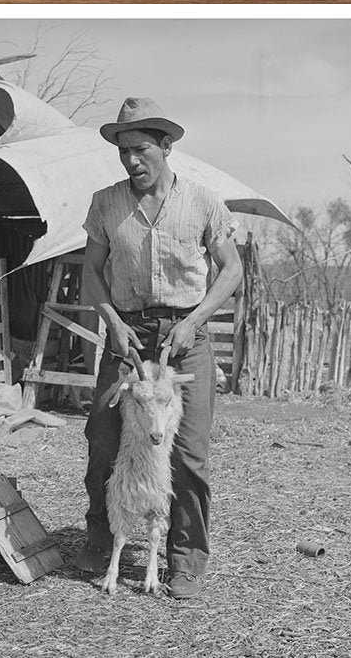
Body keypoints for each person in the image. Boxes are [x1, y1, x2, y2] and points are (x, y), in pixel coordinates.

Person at [76, 97, 243, 599]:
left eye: (141, 149)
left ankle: (186, 558)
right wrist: (112, 321)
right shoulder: (106, 203)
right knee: (104, 438)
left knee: (188, 451)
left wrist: (194, 321)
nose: (131, 160)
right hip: (127, 337)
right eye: (123, 151)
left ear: (166, 146)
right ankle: (102, 537)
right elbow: (90, 272)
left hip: (184, 340)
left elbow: (231, 270)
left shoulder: (203, 202)